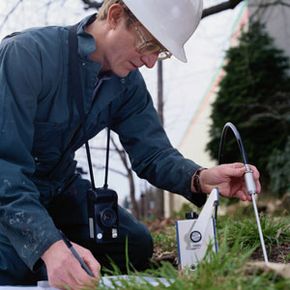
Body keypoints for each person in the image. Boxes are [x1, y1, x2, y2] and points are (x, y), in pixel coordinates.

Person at [0, 0, 261, 288]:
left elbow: (154, 153)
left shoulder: (127, 84)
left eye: (159, 53)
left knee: (134, 246)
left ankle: (59, 249)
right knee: (15, 267)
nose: (150, 62)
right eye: (148, 44)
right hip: (10, 191)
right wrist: (48, 245)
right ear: (114, 15)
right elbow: (5, 169)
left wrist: (200, 178)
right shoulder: (26, 56)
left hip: (59, 186)